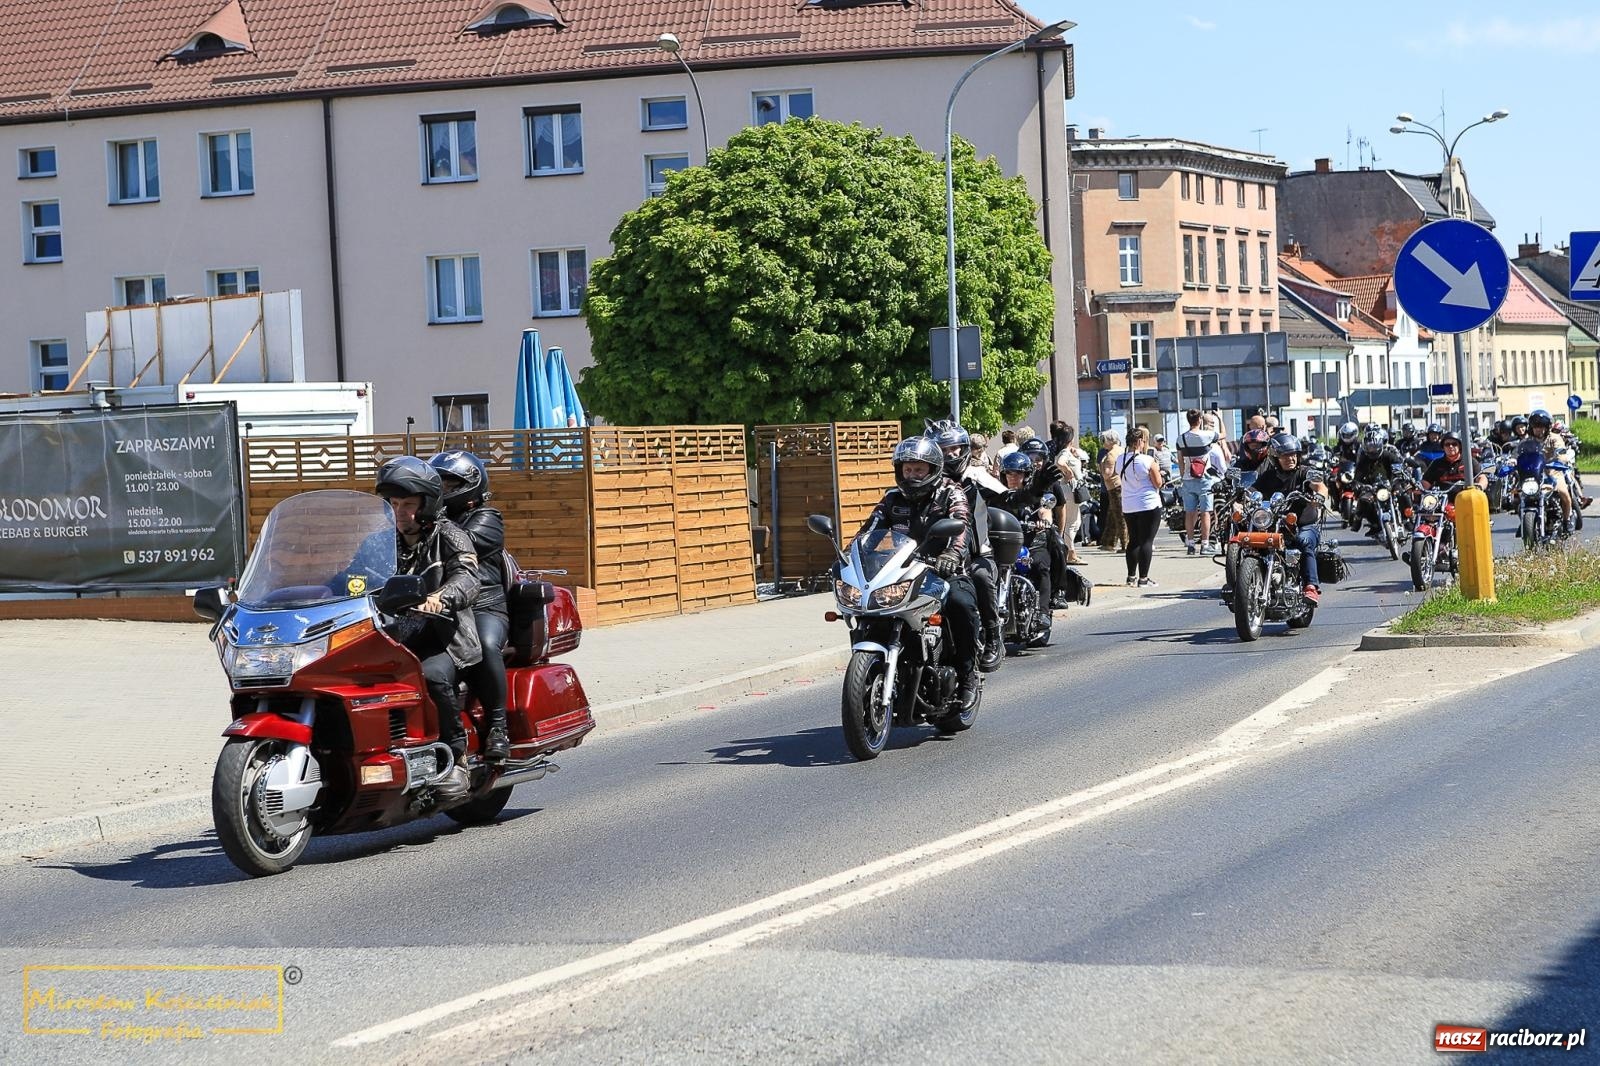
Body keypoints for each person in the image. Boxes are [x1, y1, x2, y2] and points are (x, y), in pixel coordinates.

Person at [373, 456, 482, 801]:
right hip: (392, 636)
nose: (399, 512)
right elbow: (348, 575)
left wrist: (441, 597)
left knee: (432, 676)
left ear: (427, 503)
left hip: (443, 638)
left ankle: (457, 760)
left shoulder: (450, 535)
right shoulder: (381, 542)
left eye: (407, 504)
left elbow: (468, 578)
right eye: (393, 504)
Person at [855, 437, 982, 708]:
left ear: (932, 470)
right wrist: (850, 556)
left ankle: (968, 673)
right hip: (903, 572)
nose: (912, 475)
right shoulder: (892, 498)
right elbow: (869, 531)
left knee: (961, 604)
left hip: (944, 570)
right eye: (908, 469)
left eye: (918, 470)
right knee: (869, 609)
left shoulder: (951, 492)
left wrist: (950, 555)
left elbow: (961, 526)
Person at [428, 450, 510, 764]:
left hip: (483, 607)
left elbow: (463, 543)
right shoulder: (421, 525)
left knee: (486, 645)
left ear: (470, 487)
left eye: (449, 485)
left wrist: (430, 518)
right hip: (439, 607)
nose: (441, 491)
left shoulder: (488, 518)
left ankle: (498, 727)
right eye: (437, 484)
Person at [927, 420, 1003, 673]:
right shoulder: (927, 480)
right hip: (935, 557)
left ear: (964, 449)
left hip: (976, 553)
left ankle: (994, 637)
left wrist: (1034, 489)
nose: (951, 454)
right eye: (944, 449)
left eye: (955, 448)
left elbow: (1010, 497)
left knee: (981, 577)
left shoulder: (977, 475)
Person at [1248, 433, 1329, 605]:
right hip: (1276, 524)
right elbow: (1251, 491)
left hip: (1303, 524)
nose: (1290, 458)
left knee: (1304, 541)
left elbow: (1320, 486)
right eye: (1285, 455)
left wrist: (1319, 498)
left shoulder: (1305, 472)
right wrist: (1242, 501)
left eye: (1293, 454)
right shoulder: (1268, 476)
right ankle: (1245, 581)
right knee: (1254, 541)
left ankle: (1310, 587)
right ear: (1276, 457)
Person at [986, 451, 1066, 609]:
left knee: (1040, 564)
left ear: (1027, 475)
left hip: (1031, 542)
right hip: (1002, 546)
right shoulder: (996, 495)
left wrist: (1044, 522)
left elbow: (1045, 510)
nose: (1013, 477)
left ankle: (1047, 607)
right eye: (1009, 473)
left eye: (1018, 474)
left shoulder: (1035, 494)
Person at [1118, 427, 1165, 588]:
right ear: (1139, 442)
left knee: (1133, 540)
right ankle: (1143, 578)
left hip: (1128, 504)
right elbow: (1158, 483)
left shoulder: (1120, 459)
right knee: (1146, 541)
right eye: (1143, 441)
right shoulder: (1147, 460)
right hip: (1148, 504)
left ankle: (1131, 576)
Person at [1177, 408, 1222, 555]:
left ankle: (1190, 545)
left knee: (1189, 513)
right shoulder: (1206, 435)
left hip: (1188, 479)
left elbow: (1180, 461)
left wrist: (1184, 475)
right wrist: (1219, 418)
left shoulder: (1181, 439)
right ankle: (1205, 544)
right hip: (1204, 479)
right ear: (1200, 420)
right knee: (1205, 513)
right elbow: (1223, 435)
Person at [1052, 426, 1090, 562]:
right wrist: (1069, 473)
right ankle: (1070, 552)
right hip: (1068, 489)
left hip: (1068, 489)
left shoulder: (1068, 451)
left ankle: (1070, 550)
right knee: (1072, 522)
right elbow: (1060, 463)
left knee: (1074, 521)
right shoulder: (1064, 452)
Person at [1418, 432, 1487, 493]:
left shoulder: (1469, 461)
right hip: (1443, 502)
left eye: (1454, 444)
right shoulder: (1436, 463)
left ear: (1459, 446)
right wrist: (1416, 488)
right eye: (1447, 444)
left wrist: (1480, 487)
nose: (1450, 447)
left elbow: (1482, 477)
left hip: (1466, 500)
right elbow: (1425, 483)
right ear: (1443, 447)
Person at [1097, 430, 1126, 552]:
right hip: (1123, 484)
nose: (1103, 443)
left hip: (1114, 487)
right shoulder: (1122, 450)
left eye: (1104, 440)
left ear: (1109, 441)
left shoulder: (1110, 455)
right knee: (1112, 515)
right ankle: (1108, 542)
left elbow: (1107, 474)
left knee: (1119, 516)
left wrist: (1101, 469)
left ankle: (1126, 544)